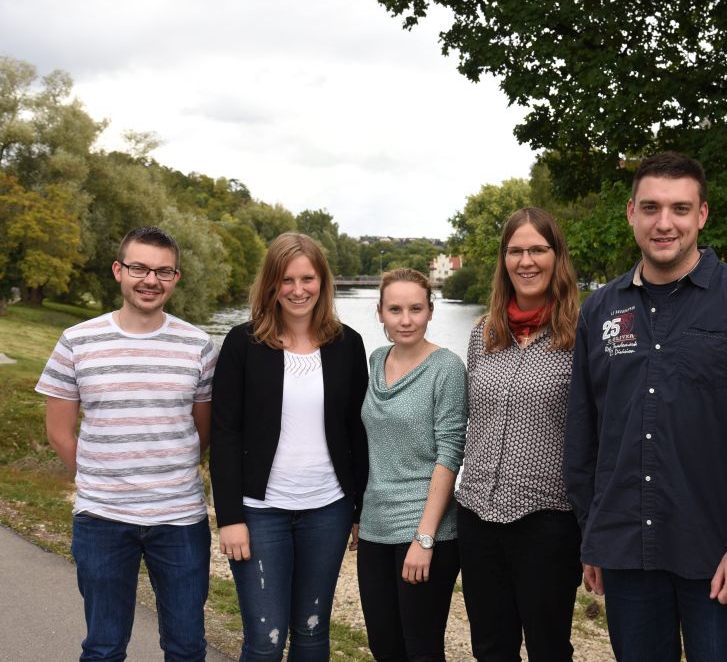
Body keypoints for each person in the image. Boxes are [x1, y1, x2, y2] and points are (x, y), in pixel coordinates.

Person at [564, 151, 727, 661]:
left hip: (720, 554)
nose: (664, 222)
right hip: (626, 551)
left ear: (702, 215)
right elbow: (583, 432)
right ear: (631, 213)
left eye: (679, 208)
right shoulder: (600, 310)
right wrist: (594, 533)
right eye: (651, 208)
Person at [35, 226, 217, 661]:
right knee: (103, 647)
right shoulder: (77, 341)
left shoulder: (199, 345)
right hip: (102, 518)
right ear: (119, 271)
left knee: (187, 646)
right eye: (139, 268)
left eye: (163, 271)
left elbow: (203, 432)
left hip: (180, 519)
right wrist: (103, 477)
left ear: (176, 277)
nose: (150, 280)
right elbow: (59, 431)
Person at [209, 232, 368, 661]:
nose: (298, 290)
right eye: (287, 280)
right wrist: (230, 518)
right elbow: (225, 434)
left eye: (308, 278)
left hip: (328, 510)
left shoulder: (348, 344)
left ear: (323, 282)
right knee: (265, 640)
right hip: (260, 513)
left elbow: (357, 432)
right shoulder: (243, 344)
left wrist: (358, 510)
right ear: (271, 285)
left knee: (313, 634)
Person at [455, 207, 583, 661]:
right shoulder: (483, 334)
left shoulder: (581, 335)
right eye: (515, 251)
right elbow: (469, 421)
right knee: (490, 648)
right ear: (504, 260)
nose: (526, 261)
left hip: (548, 522)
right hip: (476, 516)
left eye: (537, 249)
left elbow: (597, 434)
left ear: (556, 256)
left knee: (549, 648)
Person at [356, 268, 467, 661]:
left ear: (430, 311)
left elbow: (450, 454)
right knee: (384, 646)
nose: (406, 320)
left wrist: (425, 539)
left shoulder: (447, 368)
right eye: (396, 309)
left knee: (421, 650)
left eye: (416, 309)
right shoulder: (374, 361)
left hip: (424, 529)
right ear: (381, 313)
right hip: (374, 528)